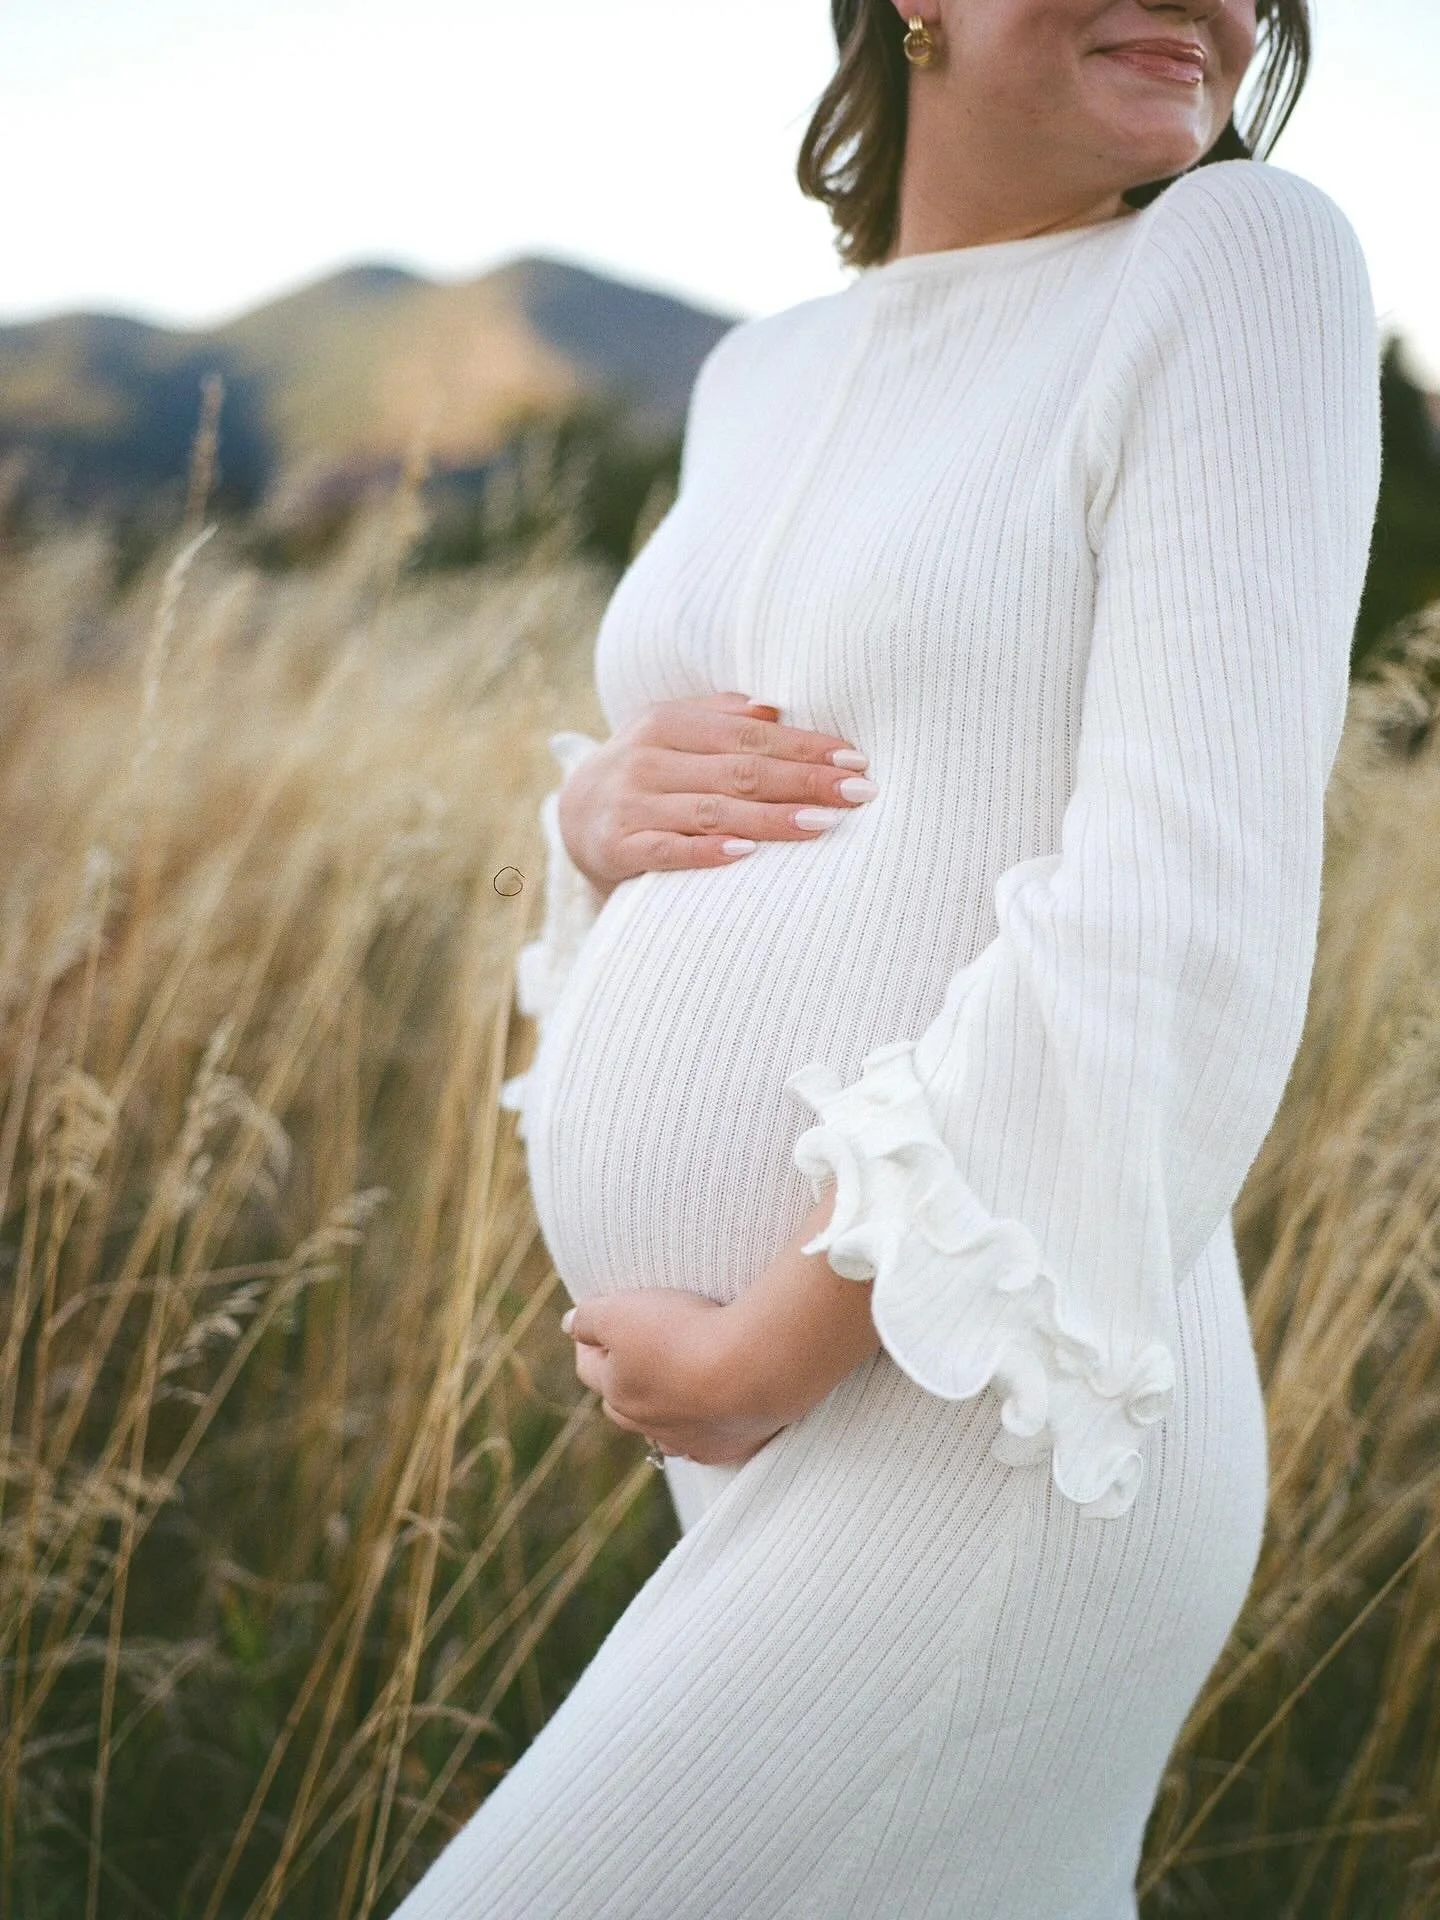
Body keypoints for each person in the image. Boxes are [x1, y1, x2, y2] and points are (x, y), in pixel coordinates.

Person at [395, 0, 1381, 1913]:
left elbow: (1184, 916)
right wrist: (586, 822)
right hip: (752, 1437)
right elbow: (738, 787)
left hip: (993, 1415)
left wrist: (776, 1337)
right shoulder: (762, 369)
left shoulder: (1237, 262)